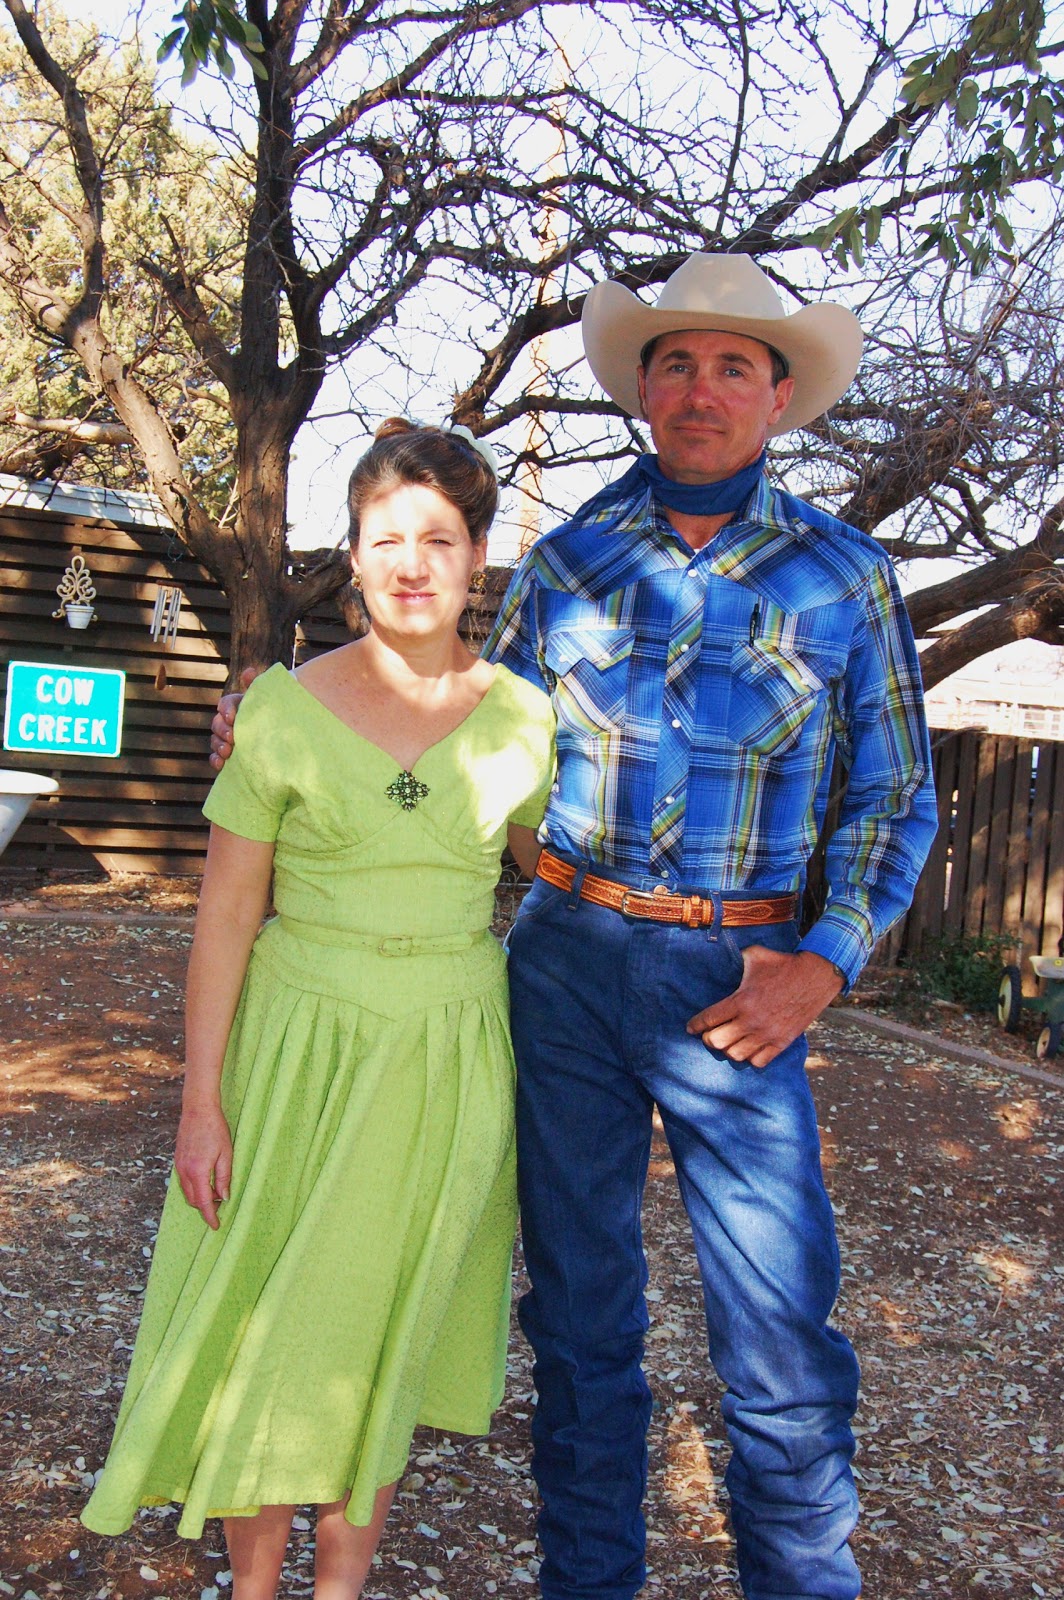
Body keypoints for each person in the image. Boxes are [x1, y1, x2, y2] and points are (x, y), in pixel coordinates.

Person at [210, 254, 938, 1600]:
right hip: (563, 966)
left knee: (777, 1330)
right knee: (585, 1325)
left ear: (780, 397)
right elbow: (455, 714)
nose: (701, 388)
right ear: (643, 391)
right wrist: (282, 707)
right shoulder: (573, 559)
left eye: (733, 365)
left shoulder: (847, 578)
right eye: (675, 361)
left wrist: (823, 967)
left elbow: (895, 799)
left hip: (744, 979)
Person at [82, 419, 556, 1600]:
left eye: (437, 538)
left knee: (377, 1326)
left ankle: (339, 1587)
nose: (410, 562)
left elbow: (562, 882)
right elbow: (226, 919)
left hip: (445, 1060)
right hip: (292, 1054)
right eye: (384, 537)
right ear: (349, 554)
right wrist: (201, 1101)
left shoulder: (526, 721)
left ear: (478, 555)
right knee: (271, 1316)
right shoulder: (280, 710)